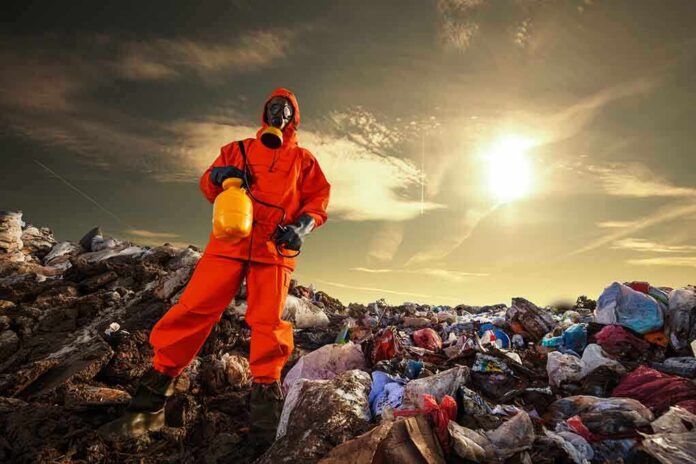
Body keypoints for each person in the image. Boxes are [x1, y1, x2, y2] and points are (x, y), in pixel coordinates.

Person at [99, 88, 331, 447]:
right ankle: (148, 406)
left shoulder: (304, 160)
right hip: (228, 241)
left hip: (275, 251)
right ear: (263, 113)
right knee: (192, 311)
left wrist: (302, 226)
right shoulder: (237, 150)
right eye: (273, 108)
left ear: (293, 120)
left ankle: (264, 427)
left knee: (269, 326)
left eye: (286, 111)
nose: (278, 115)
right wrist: (219, 175)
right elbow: (209, 185)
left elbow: (318, 201)